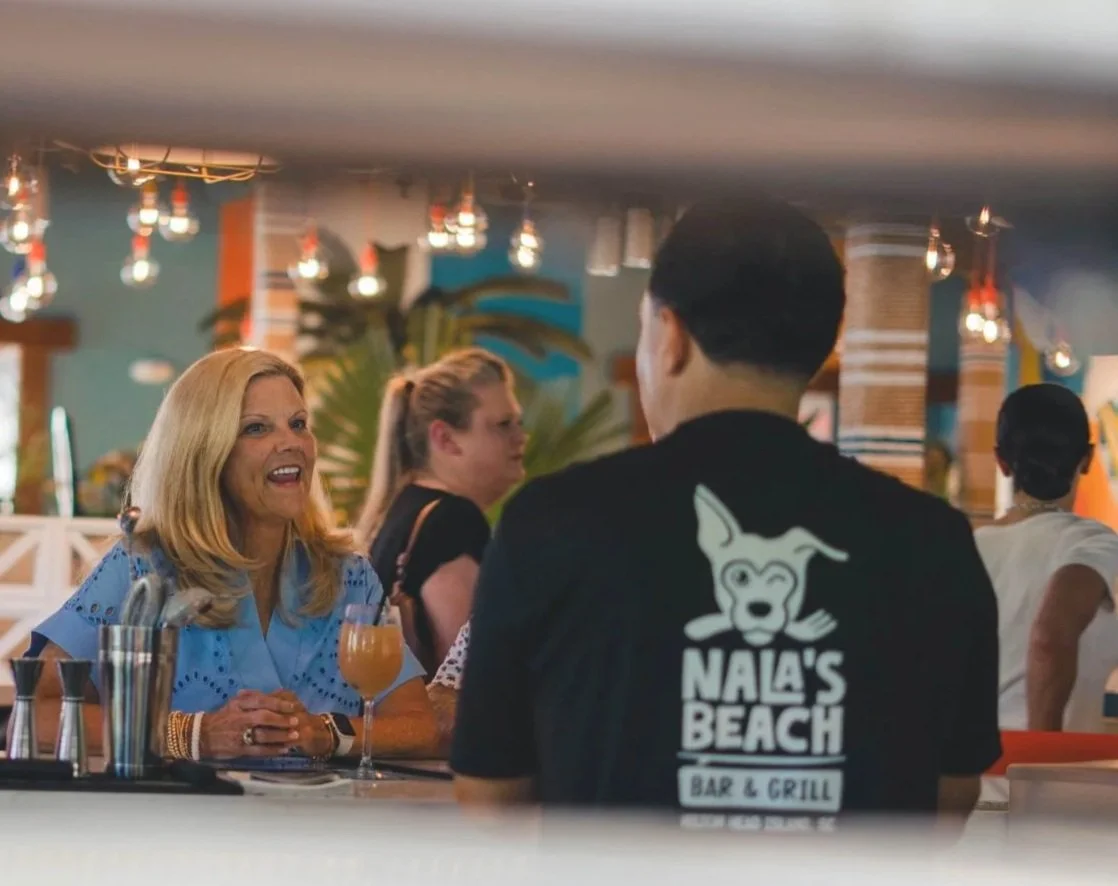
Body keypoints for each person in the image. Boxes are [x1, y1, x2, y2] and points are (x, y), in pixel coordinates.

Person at [450, 198, 1001, 833]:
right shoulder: (933, 541)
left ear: (673, 337)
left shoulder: (548, 524)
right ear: (821, 346)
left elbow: (490, 801)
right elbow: (950, 801)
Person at [25, 348, 438, 761]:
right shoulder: (142, 568)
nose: (291, 443)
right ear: (205, 453)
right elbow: (37, 714)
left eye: (298, 424)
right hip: (176, 821)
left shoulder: (349, 576)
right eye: (256, 428)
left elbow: (420, 726)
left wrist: (328, 733)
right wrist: (192, 735)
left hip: (323, 821)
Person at [356, 348, 526, 677]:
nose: (520, 437)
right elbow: (471, 671)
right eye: (503, 425)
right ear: (445, 438)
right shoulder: (452, 522)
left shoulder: (405, 507)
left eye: (519, 422)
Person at [975, 383, 1118, 733]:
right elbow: (1050, 638)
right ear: (1085, 459)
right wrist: (1041, 758)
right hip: (1044, 781)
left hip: (965, 778)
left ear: (1002, 461)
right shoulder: (1094, 545)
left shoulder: (965, 547)